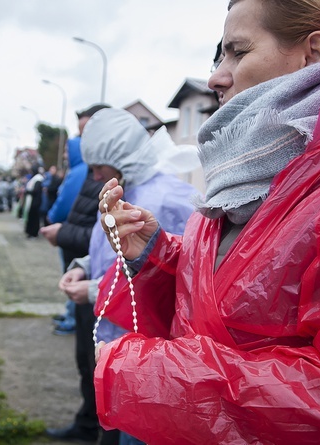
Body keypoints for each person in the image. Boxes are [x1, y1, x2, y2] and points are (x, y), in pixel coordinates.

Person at [93, 0, 320, 444]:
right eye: (219, 57)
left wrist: (144, 375)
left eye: (237, 52)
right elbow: (223, 309)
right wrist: (158, 257)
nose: (216, 77)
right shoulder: (238, 184)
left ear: (314, 52)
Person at [46, 108, 199, 444]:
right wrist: (83, 266)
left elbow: (172, 279)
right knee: (110, 419)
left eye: (99, 165)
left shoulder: (168, 200)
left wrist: (92, 290)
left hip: (145, 345)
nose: (95, 175)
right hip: (113, 333)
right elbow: (107, 247)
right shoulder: (122, 191)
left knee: (132, 430)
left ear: (120, 156)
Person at [42, 104, 111, 335]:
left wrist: (59, 228)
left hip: (78, 245)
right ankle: (72, 316)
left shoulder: (89, 172)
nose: (83, 140)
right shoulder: (90, 172)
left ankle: (71, 318)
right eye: (81, 134)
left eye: (88, 133)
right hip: (80, 247)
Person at [23, 165, 44, 238]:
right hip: (33, 201)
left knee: (34, 218)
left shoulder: (38, 179)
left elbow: (36, 191)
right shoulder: (35, 178)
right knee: (32, 217)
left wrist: (27, 191)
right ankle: (30, 232)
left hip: (35, 202)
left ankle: (33, 233)